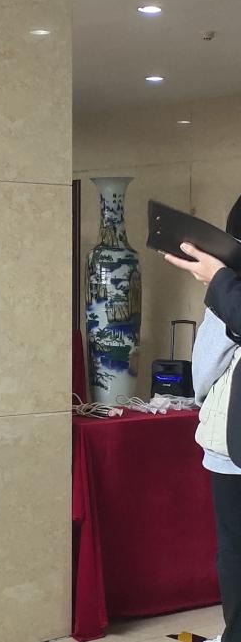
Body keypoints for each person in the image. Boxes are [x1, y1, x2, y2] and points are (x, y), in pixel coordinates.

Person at [165, 199, 241, 642]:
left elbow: (206, 364)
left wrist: (219, 280)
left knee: (235, 547)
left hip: (232, 438)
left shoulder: (230, 291)